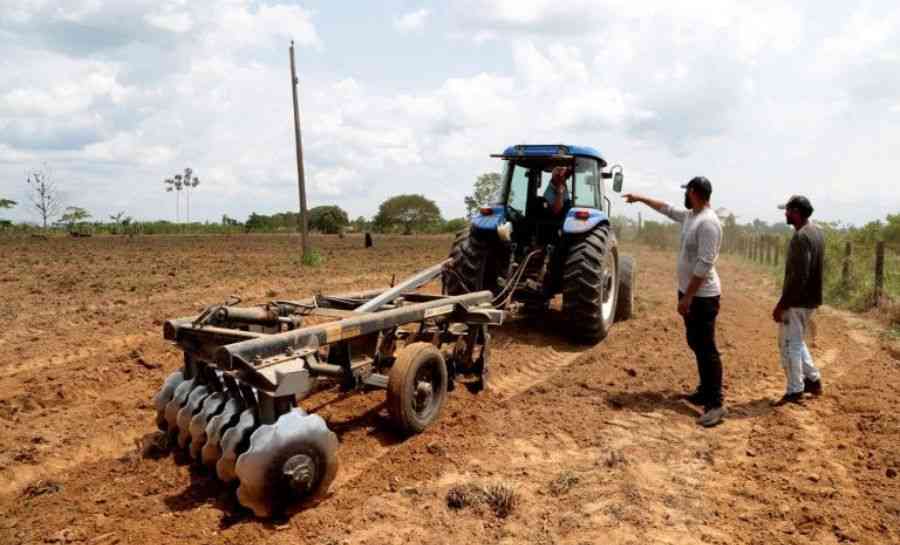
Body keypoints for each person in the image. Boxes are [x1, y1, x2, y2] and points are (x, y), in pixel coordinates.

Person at [623, 177, 726, 427]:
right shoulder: (692, 216)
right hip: (689, 294)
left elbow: (704, 265)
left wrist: (688, 297)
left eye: (686, 191)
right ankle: (704, 390)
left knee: (706, 347)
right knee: (696, 342)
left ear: (693, 192)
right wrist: (640, 198)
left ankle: (715, 403)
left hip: (702, 296)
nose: (683, 196)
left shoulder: (708, 223)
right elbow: (666, 208)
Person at [771, 195, 825, 406]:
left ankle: (795, 390)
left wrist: (782, 304)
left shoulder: (801, 237)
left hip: (797, 300)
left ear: (796, 212)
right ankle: (813, 380)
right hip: (809, 299)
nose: (785, 214)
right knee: (797, 341)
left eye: (787, 210)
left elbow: (798, 276)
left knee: (789, 344)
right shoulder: (817, 232)